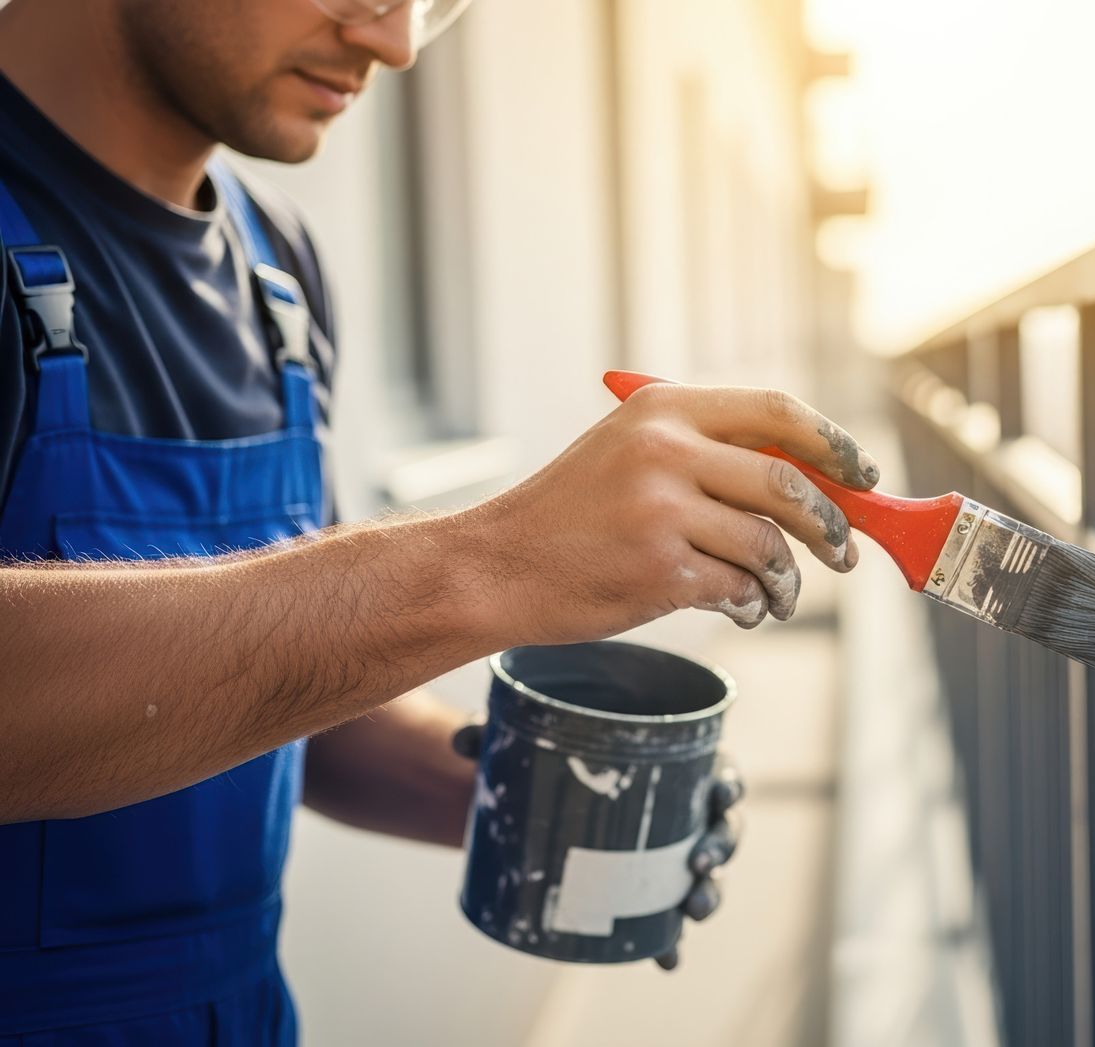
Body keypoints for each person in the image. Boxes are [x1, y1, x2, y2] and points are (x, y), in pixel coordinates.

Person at [0, 0, 877, 1041]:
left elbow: (270, 679)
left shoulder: (276, 266)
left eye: (436, 2)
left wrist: (524, 797)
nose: (397, 42)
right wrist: (491, 562)